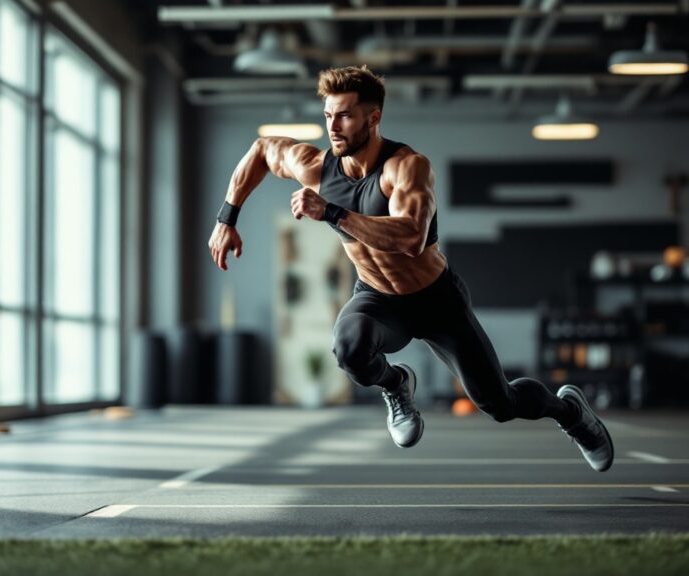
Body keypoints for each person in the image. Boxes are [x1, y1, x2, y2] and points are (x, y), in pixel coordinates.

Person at [208, 65, 614, 472]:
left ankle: (571, 414)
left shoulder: (406, 167)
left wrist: (332, 211)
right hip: (377, 298)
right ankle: (396, 385)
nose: (333, 126)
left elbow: (410, 238)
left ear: (374, 117)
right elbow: (262, 150)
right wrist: (227, 219)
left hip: (436, 300)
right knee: (348, 350)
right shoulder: (315, 166)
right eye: (328, 115)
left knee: (500, 404)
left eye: (345, 115)